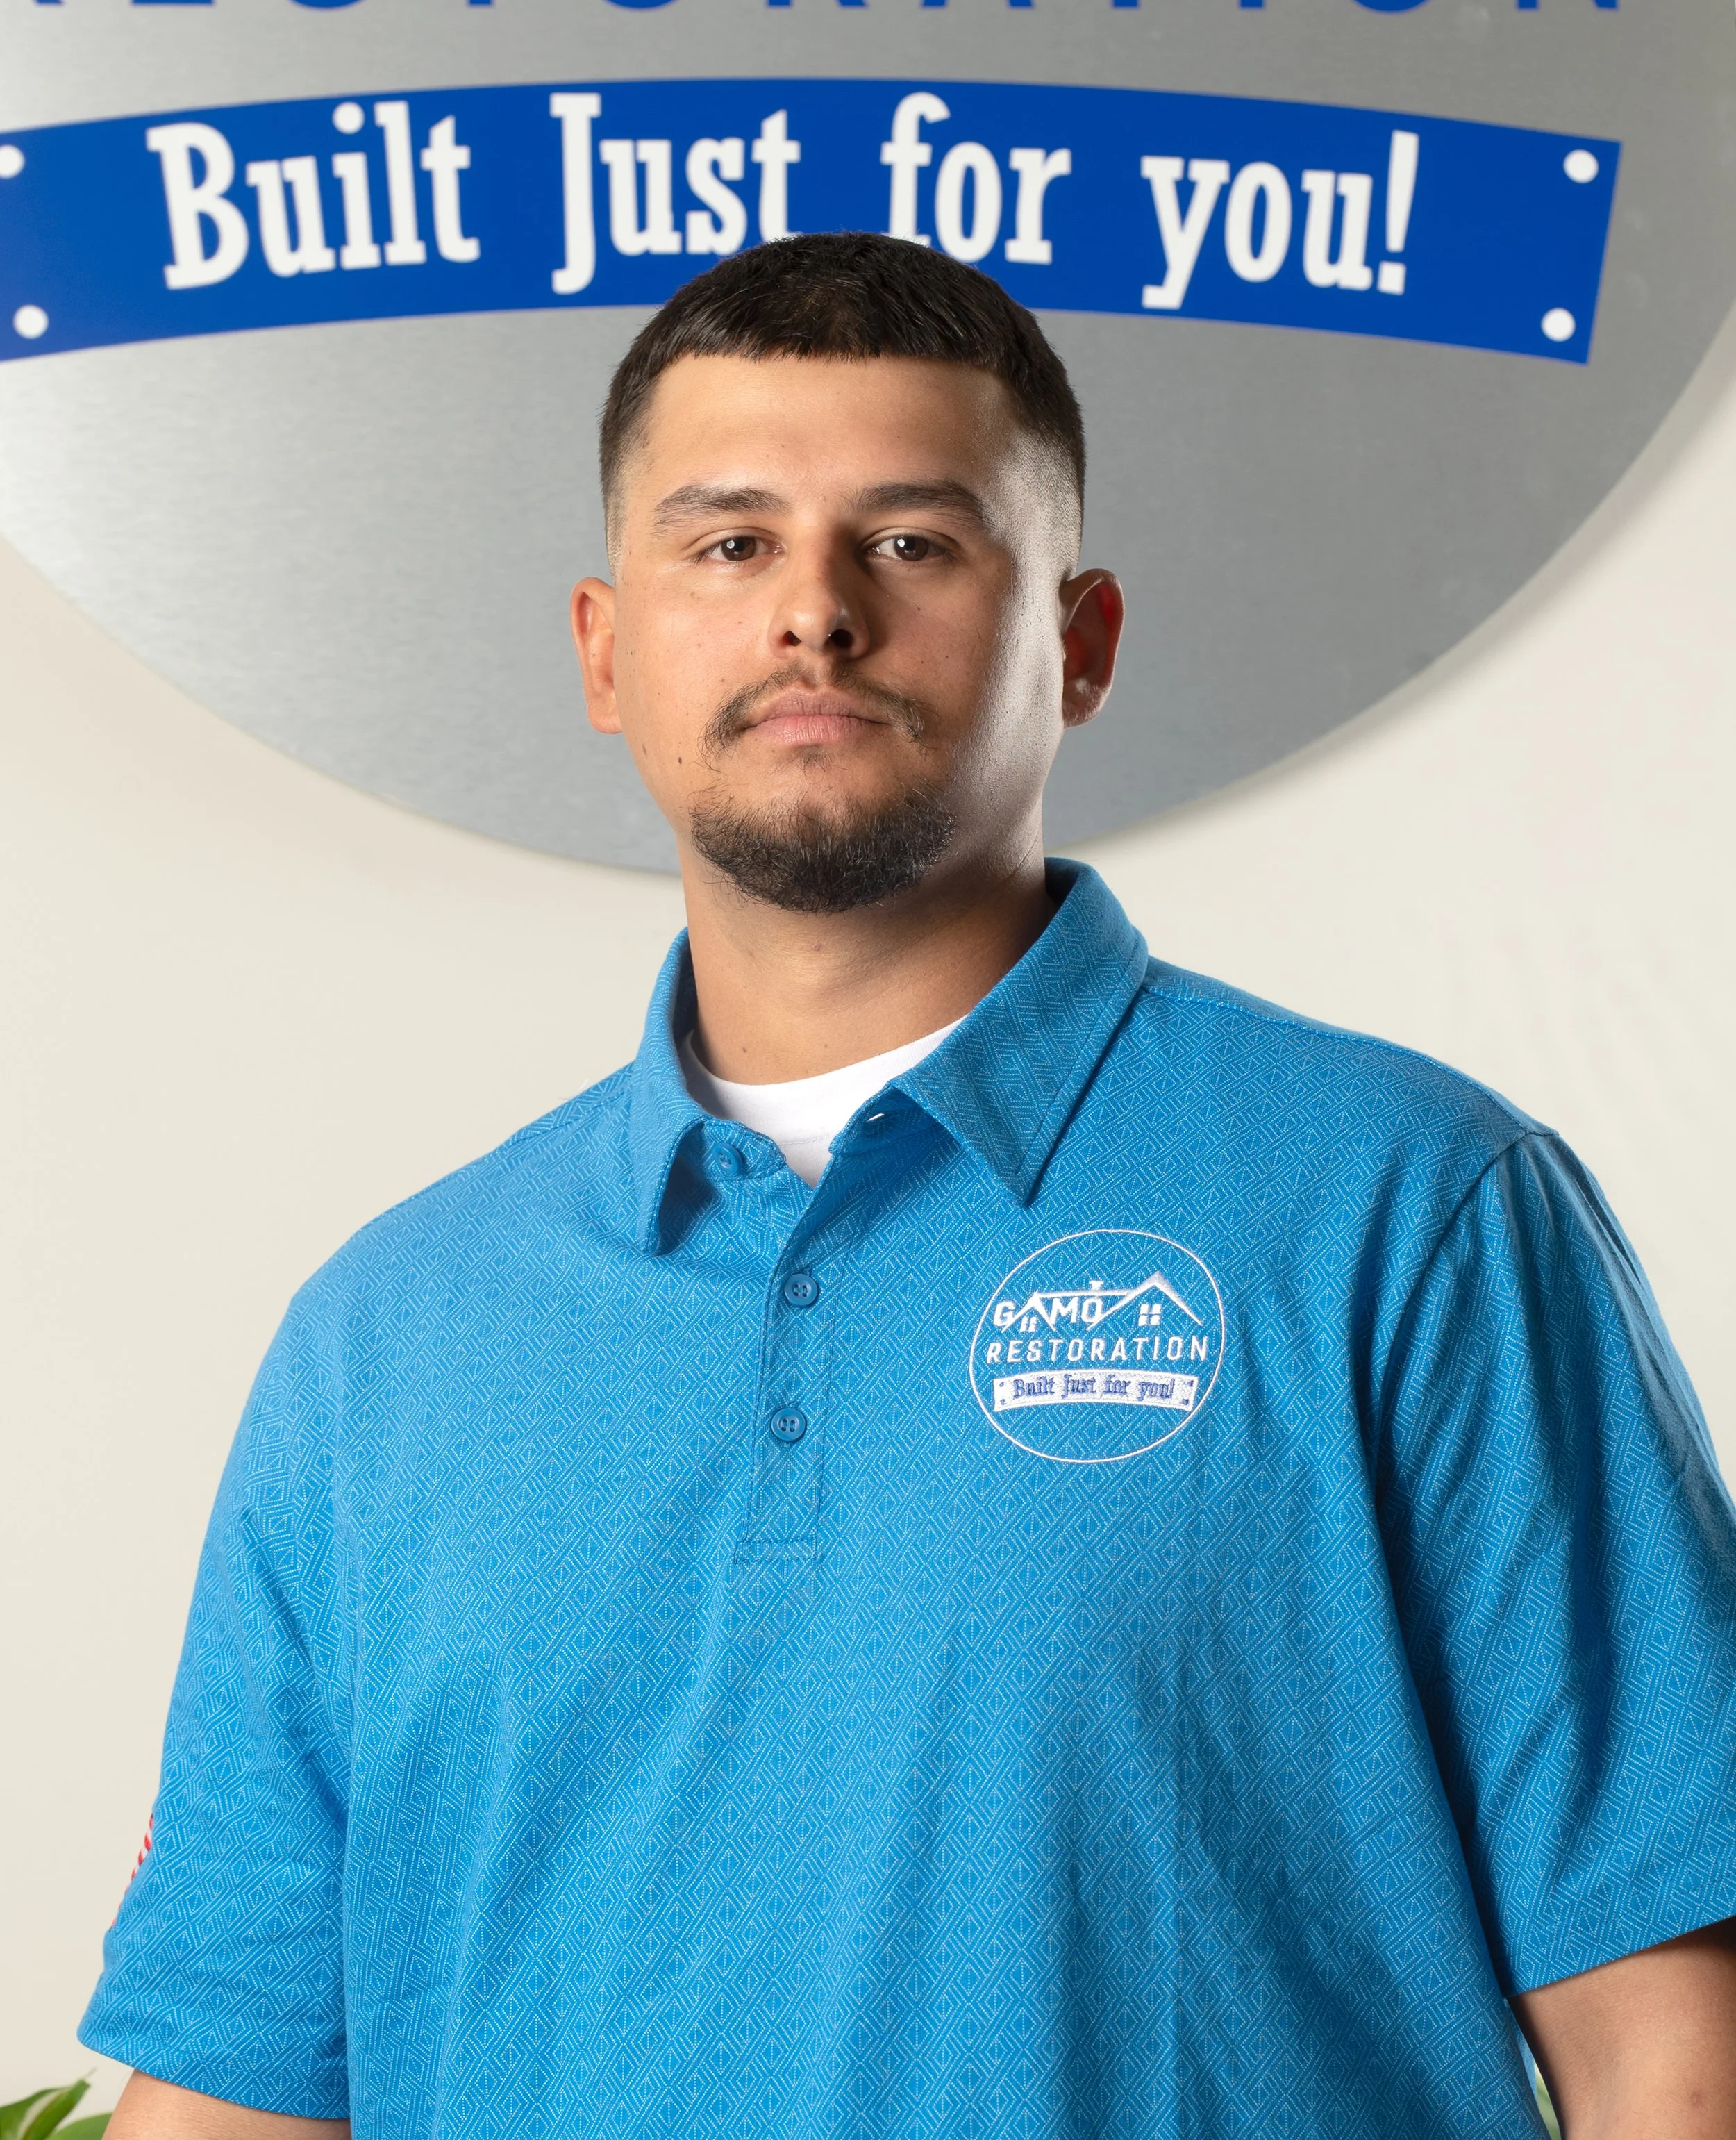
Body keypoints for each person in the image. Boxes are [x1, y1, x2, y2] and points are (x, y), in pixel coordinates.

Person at [86, 233, 1736, 2140]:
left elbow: (1669, 2042)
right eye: (726, 544)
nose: (812, 615)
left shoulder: (1407, 1213)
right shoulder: (384, 1342)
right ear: (604, 653)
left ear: (1083, 639)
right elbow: (231, 2092)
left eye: (912, 542)